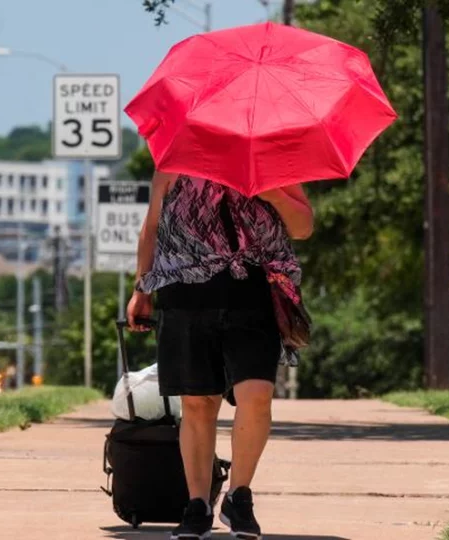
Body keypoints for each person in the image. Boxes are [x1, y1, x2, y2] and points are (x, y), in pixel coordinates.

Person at [127, 171, 313, 540]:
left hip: (252, 293)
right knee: (197, 404)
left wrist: (271, 191)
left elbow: (303, 226)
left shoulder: (268, 158)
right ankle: (197, 506)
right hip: (184, 295)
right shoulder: (174, 163)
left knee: (257, 395)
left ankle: (239, 497)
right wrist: (141, 289)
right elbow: (152, 228)